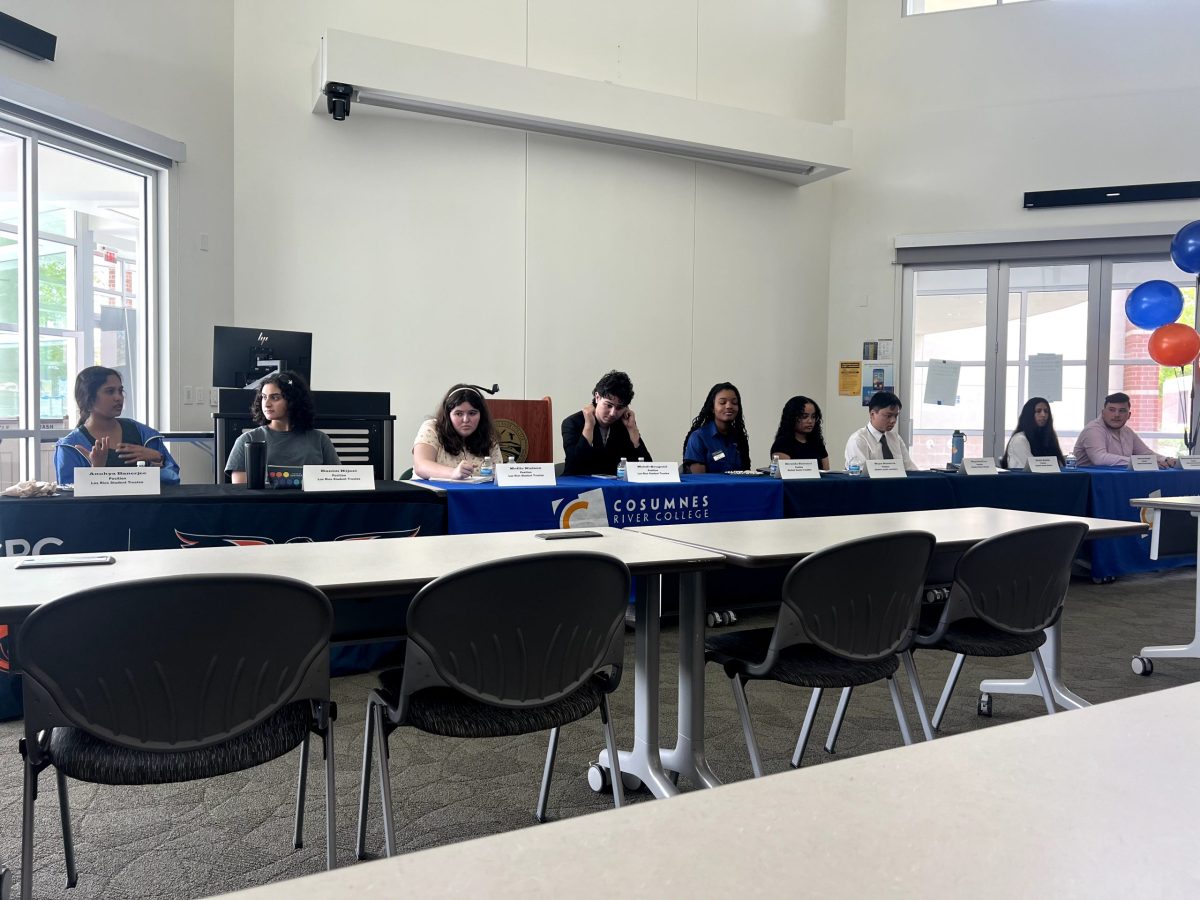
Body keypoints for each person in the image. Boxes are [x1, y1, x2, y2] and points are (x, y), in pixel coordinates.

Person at [55, 366, 181, 486]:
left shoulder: (143, 434)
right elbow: (69, 498)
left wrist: (158, 460)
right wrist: (96, 471)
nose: (118, 398)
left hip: (146, 508)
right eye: (110, 391)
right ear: (89, 399)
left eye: (120, 391)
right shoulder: (70, 447)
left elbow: (173, 479)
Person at [225, 370, 339, 483]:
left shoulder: (320, 439)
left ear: (293, 400)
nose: (267, 404)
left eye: (275, 398)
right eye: (264, 397)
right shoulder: (247, 440)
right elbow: (241, 491)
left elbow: (337, 481)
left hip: (311, 501)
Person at [562, 370, 651, 475]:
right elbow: (574, 466)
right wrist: (589, 426)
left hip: (613, 488)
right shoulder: (573, 423)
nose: (613, 413)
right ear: (597, 397)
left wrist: (633, 431)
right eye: (608, 405)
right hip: (578, 488)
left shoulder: (625, 425)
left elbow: (646, 469)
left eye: (620, 407)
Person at [412, 384, 503, 480]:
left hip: (476, 494)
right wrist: (453, 473)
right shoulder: (432, 428)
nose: (466, 420)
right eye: (459, 413)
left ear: (481, 415)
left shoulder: (488, 436)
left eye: (472, 413)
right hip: (433, 494)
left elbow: (499, 476)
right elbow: (421, 466)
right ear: (448, 415)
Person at [1073, 392, 1176, 468]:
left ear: (1129, 415)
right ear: (1103, 412)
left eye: (1122, 411)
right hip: (1091, 486)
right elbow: (1099, 458)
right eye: (1112, 410)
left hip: (1119, 480)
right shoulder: (1093, 429)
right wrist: (1142, 462)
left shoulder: (1127, 431)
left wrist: (1166, 459)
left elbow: (1145, 453)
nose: (1116, 415)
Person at [682, 382, 751, 474]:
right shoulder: (699, 437)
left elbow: (746, 473)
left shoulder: (739, 437)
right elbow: (699, 480)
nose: (729, 406)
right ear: (712, 408)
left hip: (738, 487)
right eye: (722, 402)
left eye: (734, 402)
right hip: (710, 488)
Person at [844, 391, 918, 471]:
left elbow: (910, 468)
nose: (893, 420)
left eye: (896, 416)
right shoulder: (858, 440)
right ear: (872, 414)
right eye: (888, 416)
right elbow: (860, 476)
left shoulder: (895, 438)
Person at [1001, 397, 1065, 469]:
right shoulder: (1019, 439)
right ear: (1029, 415)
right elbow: (1034, 468)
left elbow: (1060, 465)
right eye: (1038, 411)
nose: (1043, 415)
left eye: (1046, 411)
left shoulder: (1048, 438)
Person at [769, 395, 830, 470]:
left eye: (813, 416)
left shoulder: (817, 443)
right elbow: (785, 473)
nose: (810, 421)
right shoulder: (782, 444)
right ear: (792, 418)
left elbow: (827, 472)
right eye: (804, 416)